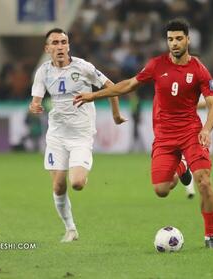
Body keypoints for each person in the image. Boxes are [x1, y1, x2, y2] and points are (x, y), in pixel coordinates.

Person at [74, 19, 213, 249]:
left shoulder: (199, 69)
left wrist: (206, 129)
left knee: (204, 181)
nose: (174, 43)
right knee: (161, 190)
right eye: (170, 39)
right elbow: (128, 85)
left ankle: (210, 237)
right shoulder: (157, 65)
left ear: (188, 40)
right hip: (164, 137)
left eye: (179, 38)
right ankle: (181, 166)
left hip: (191, 132)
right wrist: (93, 95)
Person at [29, 28, 127, 243]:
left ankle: (81, 170)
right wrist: (35, 106)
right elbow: (36, 99)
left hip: (81, 135)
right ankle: (70, 229)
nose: (60, 46)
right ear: (47, 49)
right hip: (56, 135)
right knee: (58, 185)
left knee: (77, 183)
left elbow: (112, 87)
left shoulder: (83, 67)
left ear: (69, 46)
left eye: (63, 42)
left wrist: (116, 115)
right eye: (55, 43)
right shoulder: (43, 72)